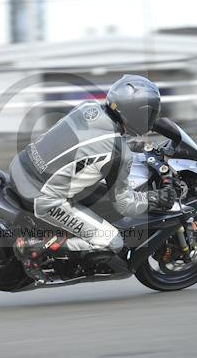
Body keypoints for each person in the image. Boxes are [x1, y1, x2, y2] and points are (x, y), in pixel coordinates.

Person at [9, 75, 177, 280]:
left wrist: (132, 146)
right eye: (150, 113)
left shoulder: (88, 108)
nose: (152, 118)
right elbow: (125, 205)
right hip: (42, 197)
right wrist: (156, 198)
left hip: (21, 167)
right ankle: (35, 246)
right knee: (113, 241)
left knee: (99, 201)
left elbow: (87, 143)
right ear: (137, 113)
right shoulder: (118, 152)